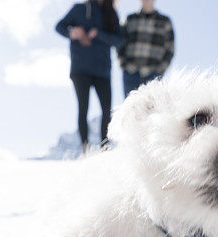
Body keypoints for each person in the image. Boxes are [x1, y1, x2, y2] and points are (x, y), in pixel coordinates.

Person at [56, 0, 123, 153]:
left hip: (103, 71)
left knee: (107, 110)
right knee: (83, 108)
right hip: (80, 69)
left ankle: (104, 147)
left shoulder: (111, 13)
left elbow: (119, 41)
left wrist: (99, 34)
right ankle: (85, 148)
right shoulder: (78, 8)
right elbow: (59, 26)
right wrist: (71, 32)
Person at [118, 0, 175, 98]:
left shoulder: (165, 21)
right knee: (130, 110)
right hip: (131, 72)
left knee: (152, 109)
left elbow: (170, 48)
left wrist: (160, 69)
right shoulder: (130, 19)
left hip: (153, 74)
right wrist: (123, 64)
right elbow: (120, 43)